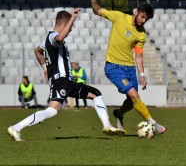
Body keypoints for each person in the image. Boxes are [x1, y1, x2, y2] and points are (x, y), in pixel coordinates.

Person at [8, 9, 125, 141]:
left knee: (96, 94)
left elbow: (37, 51)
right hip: (61, 82)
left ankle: (107, 126)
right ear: (64, 24)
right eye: (69, 28)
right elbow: (59, 38)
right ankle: (16, 128)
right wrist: (72, 19)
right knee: (52, 111)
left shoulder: (47, 40)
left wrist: (45, 68)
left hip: (67, 82)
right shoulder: (53, 37)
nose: (69, 31)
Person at [90, 0, 166, 134]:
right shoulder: (119, 17)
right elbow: (97, 11)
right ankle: (153, 123)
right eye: (143, 16)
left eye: (146, 19)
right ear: (136, 12)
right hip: (114, 67)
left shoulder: (142, 34)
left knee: (132, 101)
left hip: (130, 69)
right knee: (134, 95)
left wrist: (142, 75)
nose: (143, 21)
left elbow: (138, 56)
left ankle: (119, 113)